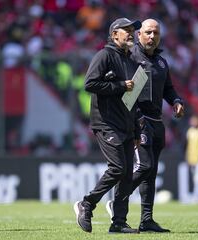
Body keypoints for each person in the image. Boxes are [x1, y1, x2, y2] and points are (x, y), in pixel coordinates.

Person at [106, 18, 184, 233]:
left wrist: (176, 101)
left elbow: (169, 88)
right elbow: (125, 93)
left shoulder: (161, 62)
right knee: (145, 166)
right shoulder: (131, 58)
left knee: (151, 172)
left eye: (155, 33)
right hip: (138, 120)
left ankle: (146, 220)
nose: (152, 37)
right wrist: (135, 119)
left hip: (158, 121)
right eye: (148, 32)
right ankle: (118, 203)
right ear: (139, 35)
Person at [73, 17, 142, 234]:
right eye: (127, 30)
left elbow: (134, 100)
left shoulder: (132, 62)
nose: (131, 33)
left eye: (133, 30)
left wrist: (137, 130)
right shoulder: (104, 55)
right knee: (118, 168)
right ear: (114, 35)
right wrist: (121, 85)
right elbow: (90, 84)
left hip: (127, 125)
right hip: (106, 122)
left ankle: (119, 222)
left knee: (127, 175)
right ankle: (87, 204)